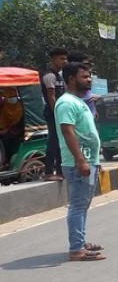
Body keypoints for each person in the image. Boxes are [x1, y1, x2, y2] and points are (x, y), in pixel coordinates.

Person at [56, 62, 105, 261]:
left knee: (83, 205)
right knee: (77, 205)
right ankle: (76, 249)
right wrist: (81, 161)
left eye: (89, 76)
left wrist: (94, 160)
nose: (89, 79)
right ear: (70, 79)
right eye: (84, 77)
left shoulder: (78, 101)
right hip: (78, 163)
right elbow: (68, 132)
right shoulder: (66, 102)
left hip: (87, 160)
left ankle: (80, 242)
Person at [41, 47, 68, 181]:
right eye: (61, 58)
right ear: (53, 59)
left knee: (59, 141)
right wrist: (58, 113)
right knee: (53, 141)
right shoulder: (49, 76)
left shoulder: (60, 76)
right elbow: (51, 97)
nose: (65, 61)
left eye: (65, 58)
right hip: (52, 112)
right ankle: (48, 172)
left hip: (59, 111)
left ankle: (61, 171)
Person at [0, 88, 25, 168]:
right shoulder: (5, 106)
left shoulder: (20, 107)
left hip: (18, 130)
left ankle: (6, 160)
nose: (12, 98)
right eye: (9, 97)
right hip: (6, 128)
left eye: (13, 96)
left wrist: (6, 130)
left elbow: (19, 124)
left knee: (6, 139)